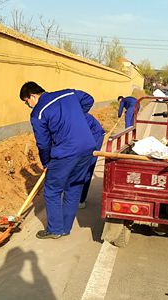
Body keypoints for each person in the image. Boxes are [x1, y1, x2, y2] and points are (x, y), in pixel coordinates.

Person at [19, 82, 95, 239]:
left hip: (66, 152)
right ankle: (65, 228)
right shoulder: (69, 93)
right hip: (88, 147)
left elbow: (43, 143)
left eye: (27, 102)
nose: (28, 105)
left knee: (52, 190)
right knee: (74, 187)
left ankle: (55, 229)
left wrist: (46, 162)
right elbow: (89, 99)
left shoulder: (38, 113)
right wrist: (75, 117)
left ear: (32, 96)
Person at [79, 113, 105, 209]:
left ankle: (81, 199)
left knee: (86, 167)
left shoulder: (76, 115)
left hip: (94, 137)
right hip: (89, 135)